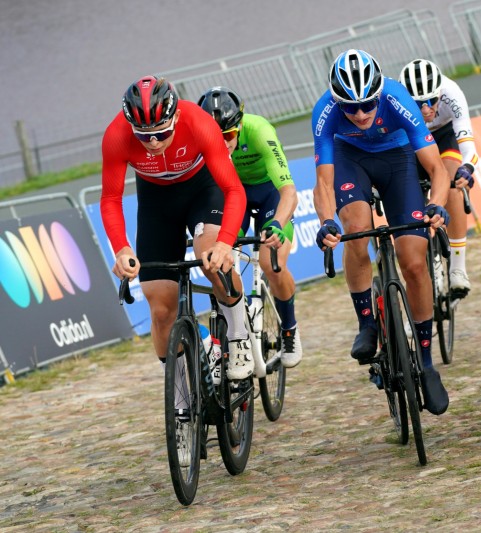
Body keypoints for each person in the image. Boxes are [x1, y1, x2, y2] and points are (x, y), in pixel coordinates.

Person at [101, 75, 251, 464]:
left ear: (173, 116)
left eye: (161, 133)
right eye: (144, 135)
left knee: (210, 257)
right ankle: (183, 400)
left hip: (203, 190)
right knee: (160, 305)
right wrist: (121, 249)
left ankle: (237, 332)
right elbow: (111, 197)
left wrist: (225, 241)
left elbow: (234, 190)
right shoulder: (117, 135)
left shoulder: (197, 121)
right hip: (156, 202)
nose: (152, 142)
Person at [311, 49, 451, 414]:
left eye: (367, 104)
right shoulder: (325, 112)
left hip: (397, 160)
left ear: (378, 93)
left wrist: (436, 204)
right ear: (336, 101)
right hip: (349, 159)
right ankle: (367, 323)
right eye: (349, 107)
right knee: (356, 229)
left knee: (414, 262)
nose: (359, 113)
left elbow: (436, 169)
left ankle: (425, 360)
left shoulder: (397, 98)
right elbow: (323, 184)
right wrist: (327, 220)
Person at [197, 86, 303, 368]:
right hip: (235, 197)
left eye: (229, 136)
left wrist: (278, 224)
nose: (224, 144)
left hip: (269, 192)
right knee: (220, 258)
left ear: (240, 125)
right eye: (216, 139)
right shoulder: (202, 145)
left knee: (271, 264)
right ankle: (234, 327)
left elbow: (289, 192)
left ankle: (290, 329)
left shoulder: (259, 131)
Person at [398, 58, 479, 297]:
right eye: (418, 103)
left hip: (444, 136)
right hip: (411, 138)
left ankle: (458, 266)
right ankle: (427, 252)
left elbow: (468, 149)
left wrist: (467, 169)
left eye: (431, 101)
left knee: (452, 180)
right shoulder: (396, 101)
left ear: (439, 94)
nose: (425, 109)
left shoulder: (452, 93)